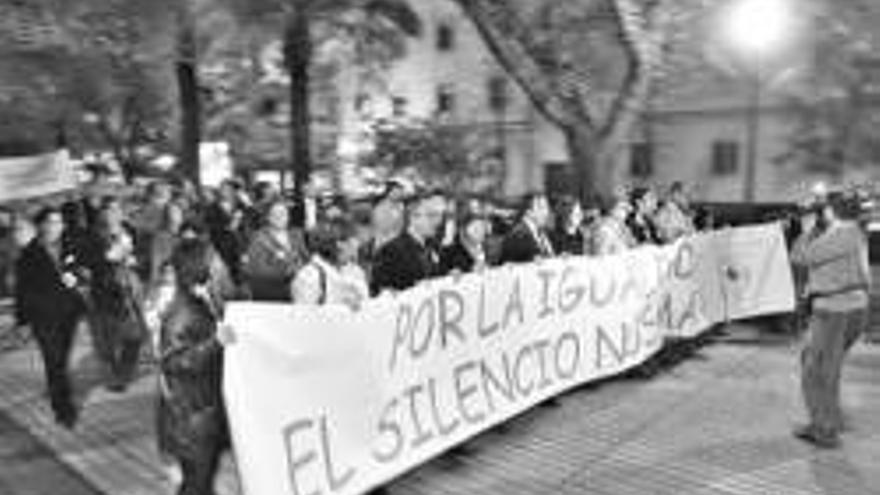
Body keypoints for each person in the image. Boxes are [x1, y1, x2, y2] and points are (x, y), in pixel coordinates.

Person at [790, 191, 871, 448]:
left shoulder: (843, 233)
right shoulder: (850, 232)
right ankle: (829, 418)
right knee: (821, 364)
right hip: (848, 308)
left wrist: (805, 227)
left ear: (831, 211)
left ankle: (824, 429)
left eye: (822, 208)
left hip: (835, 310)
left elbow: (800, 256)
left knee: (817, 371)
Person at [158, 238, 230, 495]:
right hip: (190, 416)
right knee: (197, 482)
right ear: (198, 266)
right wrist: (215, 343)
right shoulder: (181, 311)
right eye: (213, 260)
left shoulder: (198, 300)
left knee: (202, 480)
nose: (218, 265)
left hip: (201, 411)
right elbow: (174, 361)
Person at [15, 207, 88, 428]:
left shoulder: (68, 246)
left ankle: (58, 391)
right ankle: (63, 409)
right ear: (41, 226)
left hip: (68, 313)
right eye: (52, 222)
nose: (58, 227)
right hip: (43, 317)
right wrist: (23, 322)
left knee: (61, 360)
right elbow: (22, 290)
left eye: (60, 222)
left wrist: (76, 277)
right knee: (54, 362)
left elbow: (78, 271)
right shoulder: (28, 254)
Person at [81, 198, 148, 392]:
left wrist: (137, 260)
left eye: (116, 209)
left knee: (135, 336)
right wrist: (105, 258)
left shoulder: (131, 231)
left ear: (121, 212)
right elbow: (85, 260)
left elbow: (145, 256)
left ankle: (124, 373)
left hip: (132, 289)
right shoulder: (92, 235)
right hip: (105, 290)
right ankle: (113, 378)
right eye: (108, 210)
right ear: (102, 214)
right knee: (107, 340)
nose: (112, 214)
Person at [371, 190, 446, 295]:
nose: (437, 222)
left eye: (439, 216)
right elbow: (380, 292)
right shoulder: (390, 251)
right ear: (413, 217)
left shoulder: (434, 249)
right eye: (431, 216)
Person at [291, 217, 369, 309]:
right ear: (340, 244)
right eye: (355, 240)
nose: (358, 245)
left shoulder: (357, 271)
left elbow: (366, 306)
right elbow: (303, 317)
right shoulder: (309, 275)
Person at [242, 200, 308, 301]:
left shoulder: (296, 234)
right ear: (268, 217)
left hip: (300, 289)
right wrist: (289, 270)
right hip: (273, 293)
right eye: (275, 214)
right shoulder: (259, 239)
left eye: (283, 213)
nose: (280, 217)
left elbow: (305, 258)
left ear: (288, 216)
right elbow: (258, 271)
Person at [499, 192, 554, 264]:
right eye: (542, 208)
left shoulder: (543, 233)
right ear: (529, 212)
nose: (546, 212)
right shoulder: (517, 236)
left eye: (547, 208)